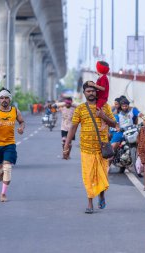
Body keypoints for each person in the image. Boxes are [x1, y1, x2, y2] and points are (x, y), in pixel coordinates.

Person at [63, 81, 116, 214]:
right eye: (88, 91)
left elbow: (114, 124)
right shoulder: (80, 109)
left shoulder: (105, 107)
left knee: (102, 175)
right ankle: (90, 202)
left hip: (102, 148)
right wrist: (66, 145)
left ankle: (102, 194)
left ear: (96, 92)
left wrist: (103, 116)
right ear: (84, 93)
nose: (91, 93)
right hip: (86, 149)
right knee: (89, 176)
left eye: (93, 91)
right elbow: (73, 127)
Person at [88, 61, 110, 130]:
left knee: (98, 108)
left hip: (102, 98)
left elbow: (103, 88)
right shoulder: (101, 77)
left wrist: (94, 85)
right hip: (99, 97)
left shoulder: (103, 78)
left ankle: (103, 123)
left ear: (99, 69)